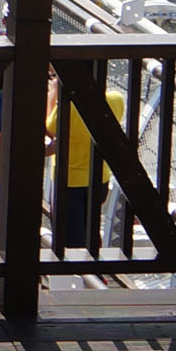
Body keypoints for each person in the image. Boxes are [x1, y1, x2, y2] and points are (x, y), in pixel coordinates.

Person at [47, 68, 133, 251]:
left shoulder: (68, 108)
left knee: (71, 239)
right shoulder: (116, 100)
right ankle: (95, 270)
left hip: (69, 181)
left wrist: (54, 91)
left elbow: (49, 125)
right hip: (99, 178)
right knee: (91, 229)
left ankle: (77, 275)